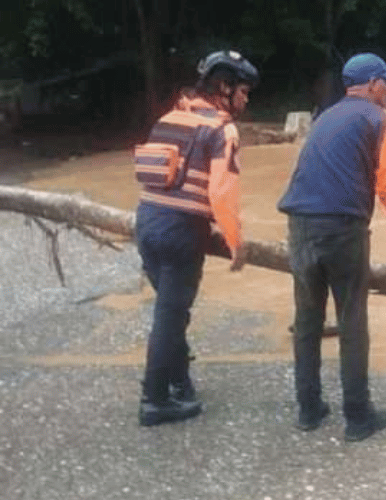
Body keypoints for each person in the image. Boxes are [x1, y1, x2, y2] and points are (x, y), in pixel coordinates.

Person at [277, 53, 386, 441]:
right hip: (342, 229)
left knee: (307, 320)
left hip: (299, 226)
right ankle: (358, 417)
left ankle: (309, 409)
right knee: (351, 322)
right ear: (373, 84)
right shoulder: (381, 121)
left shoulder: (325, 117)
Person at [133, 50, 257, 426]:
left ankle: (180, 383)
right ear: (224, 87)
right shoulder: (222, 129)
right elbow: (221, 191)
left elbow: (157, 177)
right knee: (170, 317)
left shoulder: (170, 117)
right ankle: (154, 400)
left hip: (147, 223)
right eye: (244, 91)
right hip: (181, 233)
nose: (246, 99)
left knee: (170, 312)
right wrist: (235, 241)